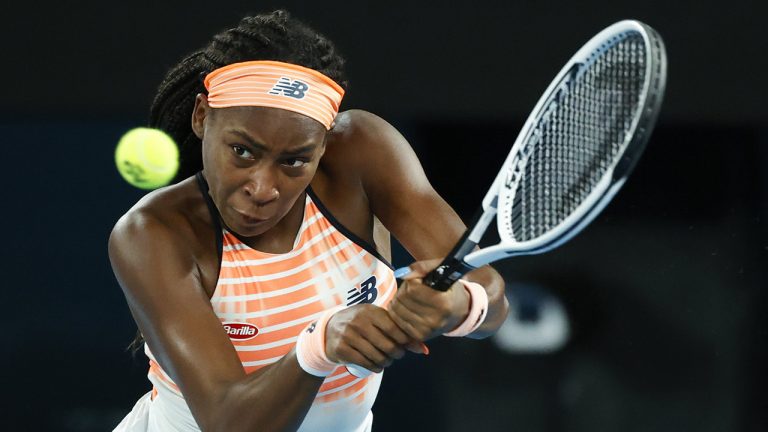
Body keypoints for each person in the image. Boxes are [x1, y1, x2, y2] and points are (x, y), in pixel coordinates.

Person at [109, 10, 508, 432]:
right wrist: (319, 345)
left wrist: (460, 306)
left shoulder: (362, 154)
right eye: (242, 151)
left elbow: (491, 297)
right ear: (203, 116)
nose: (263, 188)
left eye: (294, 161)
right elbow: (229, 423)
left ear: (323, 146)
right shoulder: (152, 233)